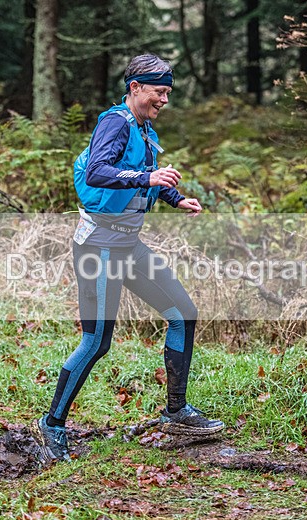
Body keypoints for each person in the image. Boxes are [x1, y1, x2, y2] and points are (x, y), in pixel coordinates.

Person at [32, 53, 224, 463]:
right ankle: (52, 425)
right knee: (97, 341)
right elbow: (100, 171)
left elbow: (142, 179)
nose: (164, 100)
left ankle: (175, 412)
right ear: (135, 88)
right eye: (159, 92)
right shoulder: (115, 122)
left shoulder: (143, 128)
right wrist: (148, 178)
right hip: (99, 247)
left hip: (128, 245)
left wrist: (175, 197)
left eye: (168, 93)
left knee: (183, 314)